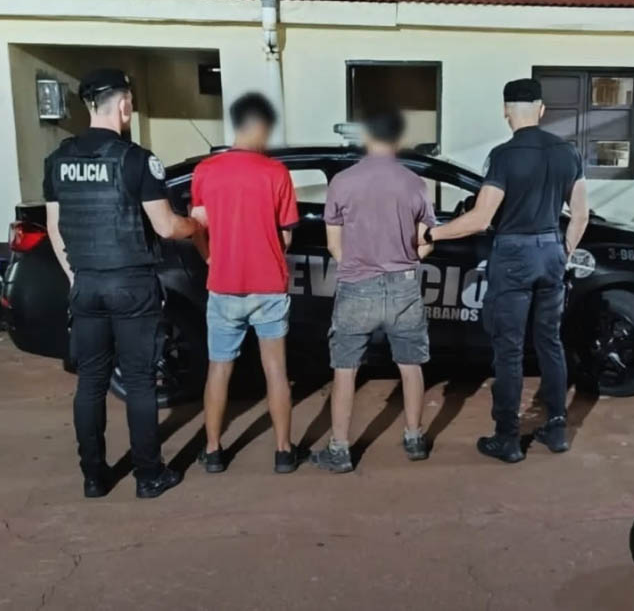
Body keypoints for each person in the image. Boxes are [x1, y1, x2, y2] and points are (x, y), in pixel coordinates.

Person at [44, 68, 202, 499]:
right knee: (139, 380)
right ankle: (148, 476)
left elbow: (56, 227)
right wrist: (196, 224)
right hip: (132, 285)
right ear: (125, 104)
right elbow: (166, 227)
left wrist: (77, 276)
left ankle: (94, 477)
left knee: (90, 382)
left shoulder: (58, 159)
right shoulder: (136, 160)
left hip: (86, 284)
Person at [423, 78, 589, 463]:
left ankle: (507, 438)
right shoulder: (568, 153)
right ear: (542, 110)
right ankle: (557, 428)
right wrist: (562, 251)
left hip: (513, 255)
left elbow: (481, 219)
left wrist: (432, 233)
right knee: (550, 342)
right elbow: (579, 215)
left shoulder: (503, 156)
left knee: (509, 349)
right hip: (551, 249)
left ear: (505, 110)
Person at [310, 109, 435, 473]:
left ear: (367, 138)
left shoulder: (343, 182)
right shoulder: (414, 183)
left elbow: (333, 244)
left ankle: (340, 450)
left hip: (356, 285)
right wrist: (407, 259)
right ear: (397, 139)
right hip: (403, 285)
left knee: (345, 369)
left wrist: (356, 265)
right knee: (410, 366)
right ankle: (414, 438)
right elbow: (426, 241)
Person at [190, 92, 300, 474]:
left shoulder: (206, 171)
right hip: (269, 286)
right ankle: (283, 452)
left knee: (219, 369)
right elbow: (286, 236)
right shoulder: (276, 173)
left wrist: (211, 258)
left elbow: (197, 226)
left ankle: (213, 451)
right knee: (276, 370)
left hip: (223, 285)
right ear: (263, 127)